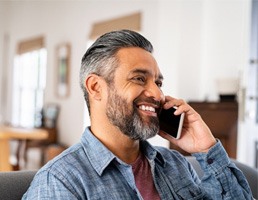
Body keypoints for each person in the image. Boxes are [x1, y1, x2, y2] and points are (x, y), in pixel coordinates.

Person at [22, 30, 253, 199]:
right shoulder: (61, 182)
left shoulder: (175, 165)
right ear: (95, 87)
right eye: (139, 78)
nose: (157, 93)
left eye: (158, 82)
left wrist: (206, 148)